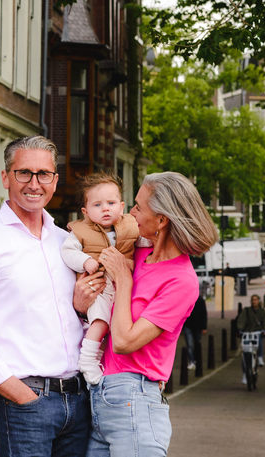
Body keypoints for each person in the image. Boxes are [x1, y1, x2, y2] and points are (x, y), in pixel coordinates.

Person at [0, 135, 102, 457]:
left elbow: (80, 320)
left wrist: (81, 310)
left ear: (55, 180)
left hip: (78, 400)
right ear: (6, 177)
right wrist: (19, 394)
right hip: (26, 404)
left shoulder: (67, 243)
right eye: (24, 173)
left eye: (43, 174)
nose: (34, 183)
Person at [85, 172, 218, 457]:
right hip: (101, 397)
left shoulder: (181, 281)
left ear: (161, 220)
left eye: (138, 206)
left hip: (135, 399)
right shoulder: (138, 255)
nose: (130, 212)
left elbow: (123, 341)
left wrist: (123, 277)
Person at [60, 172, 150, 384]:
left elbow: (143, 241)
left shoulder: (130, 225)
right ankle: (88, 359)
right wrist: (84, 261)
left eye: (111, 203)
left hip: (121, 285)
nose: (105, 209)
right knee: (101, 322)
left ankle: (98, 358)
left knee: (116, 324)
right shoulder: (80, 230)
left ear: (121, 205)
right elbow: (67, 252)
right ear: (85, 211)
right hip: (98, 283)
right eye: (97, 205)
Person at [236, 294, 265, 375]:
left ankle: (260, 357)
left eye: (255, 300)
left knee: (259, 340)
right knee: (244, 354)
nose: (254, 302)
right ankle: (244, 374)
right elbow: (241, 320)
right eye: (252, 300)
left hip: (257, 332)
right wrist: (240, 329)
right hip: (247, 332)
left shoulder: (262, 312)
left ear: (258, 301)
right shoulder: (246, 311)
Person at [182, 287, 208, 371]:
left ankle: (197, 360)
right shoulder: (186, 300)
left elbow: (204, 314)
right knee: (189, 345)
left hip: (197, 327)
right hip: (188, 326)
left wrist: (204, 327)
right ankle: (191, 361)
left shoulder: (200, 301)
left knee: (197, 344)